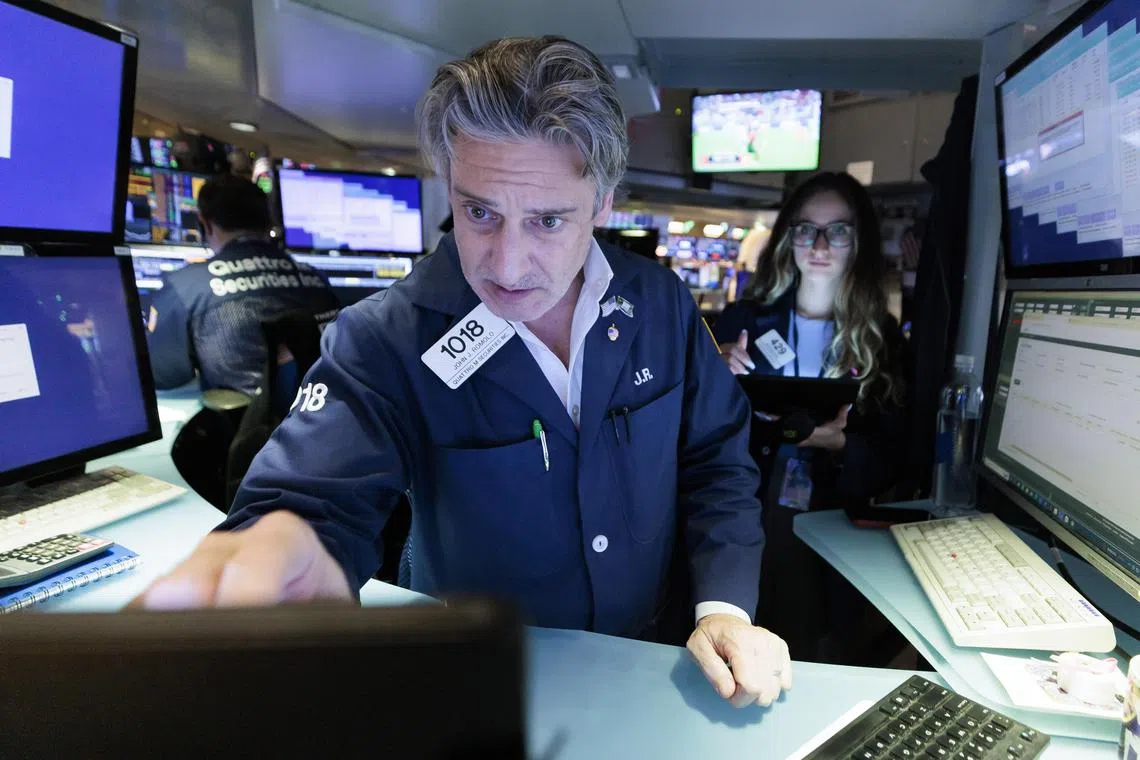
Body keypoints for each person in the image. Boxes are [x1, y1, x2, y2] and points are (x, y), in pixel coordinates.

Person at [134, 36, 791, 709]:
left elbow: (715, 460)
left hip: (656, 670)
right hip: (481, 688)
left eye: (547, 220)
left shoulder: (660, 304)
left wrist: (724, 609)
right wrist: (287, 548)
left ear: (602, 202)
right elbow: (312, 500)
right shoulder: (387, 336)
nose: (506, 266)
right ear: (450, 184)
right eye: (480, 213)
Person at [714, 171, 907, 663]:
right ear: (789, 236)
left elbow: (896, 455)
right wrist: (715, 372)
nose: (820, 245)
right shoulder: (742, 321)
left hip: (831, 531)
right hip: (748, 513)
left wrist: (839, 446)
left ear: (858, 241)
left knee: (813, 646)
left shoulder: (883, 338)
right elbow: (698, 434)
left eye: (837, 231)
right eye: (807, 230)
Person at [145, 175, 340, 395]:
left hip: (247, 416)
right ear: (268, 223)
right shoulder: (315, 277)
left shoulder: (184, 286)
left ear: (204, 224)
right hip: (326, 409)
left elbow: (163, 375)